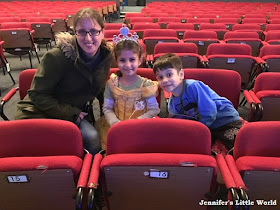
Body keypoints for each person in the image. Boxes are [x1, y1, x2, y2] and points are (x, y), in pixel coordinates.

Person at [14, 8, 113, 155]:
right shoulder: (56, 57)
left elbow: (97, 85)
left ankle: (86, 173)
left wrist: (117, 104)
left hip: (74, 110)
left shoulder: (106, 56)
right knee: (90, 138)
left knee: (96, 138)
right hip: (40, 112)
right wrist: (72, 114)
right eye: (81, 32)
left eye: (93, 31)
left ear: (102, 32)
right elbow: (37, 95)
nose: (88, 38)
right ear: (75, 33)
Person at [153, 53, 243, 150]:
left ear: (181, 74)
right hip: (208, 126)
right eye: (160, 77)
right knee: (197, 149)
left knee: (237, 147)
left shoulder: (193, 86)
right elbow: (180, 122)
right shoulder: (171, 103)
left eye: (169, 74)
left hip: (226, 121)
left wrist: (199, 131)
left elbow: (209, 112)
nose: (165, 80)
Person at [96, 28, 160, 149]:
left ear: (140, 60)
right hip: (115, 125)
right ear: (116, 61)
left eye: (132, 60)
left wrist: (135, 122)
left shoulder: (146, 85)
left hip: (140, 126)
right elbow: (107, 107)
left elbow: (154, 110)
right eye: (122, 60)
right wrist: (115, 123)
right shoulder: (112, 83)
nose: (127, 65)